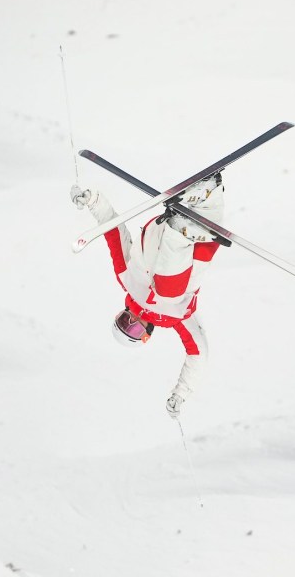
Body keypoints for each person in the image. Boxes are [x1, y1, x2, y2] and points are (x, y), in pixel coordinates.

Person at [70, 174, 225, 419]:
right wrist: (181, 393)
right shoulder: (176, 319)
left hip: (161, 235)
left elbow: (113, 230)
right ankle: (210, 193)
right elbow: (198, 353)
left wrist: (92, 201)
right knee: (178, 289)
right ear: (145, 336)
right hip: (201, 242)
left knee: (167, 292)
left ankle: (180, 226)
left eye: (123, 321)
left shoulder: (126, 280)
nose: (132, 321)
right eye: (132, 330)